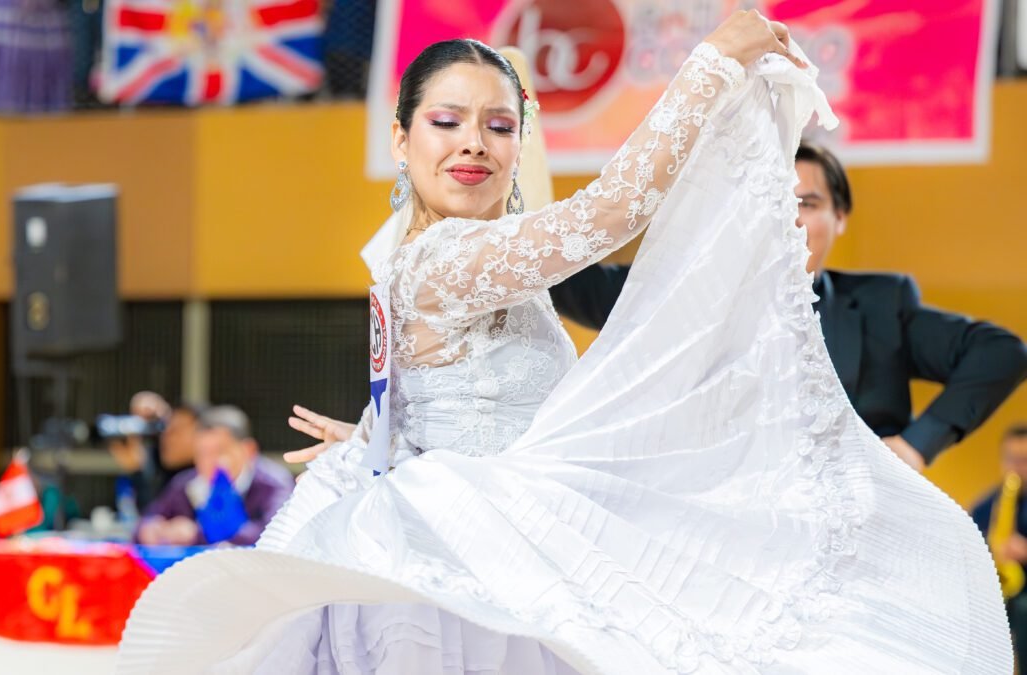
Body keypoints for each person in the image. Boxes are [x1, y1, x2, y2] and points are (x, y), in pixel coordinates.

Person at [118, 12, 1010, 674]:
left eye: (500, 126)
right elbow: (608, 214)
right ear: (399, 137)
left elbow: (444, 386)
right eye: (448, 121)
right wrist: (710, 62)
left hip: (471, 536)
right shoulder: (450, 255)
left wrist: (386, 439)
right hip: (466, 563)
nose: (475, 143)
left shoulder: (407, 256)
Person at [550, 140, 1027, 471]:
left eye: (807, 203)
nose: (788, 218)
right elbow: (560, 274)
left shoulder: (882, 305)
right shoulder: (684, 295)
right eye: (772, 201)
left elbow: (1001, 352)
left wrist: (918, 445)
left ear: (840, 217)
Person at [134, 405, 293, 546]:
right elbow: (148, 519)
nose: (209, 462)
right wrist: (151, 530)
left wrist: (196, 535)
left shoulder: (275, 484)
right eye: (202, 453)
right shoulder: (186, 483)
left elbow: (273, 535)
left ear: (248, 450)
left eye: (219, 452)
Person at [972, 423, 1027, 661]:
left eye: (1024, 460)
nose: (1016, 467)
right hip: (998, 590)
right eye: (1010, 459)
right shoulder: (987, 505)